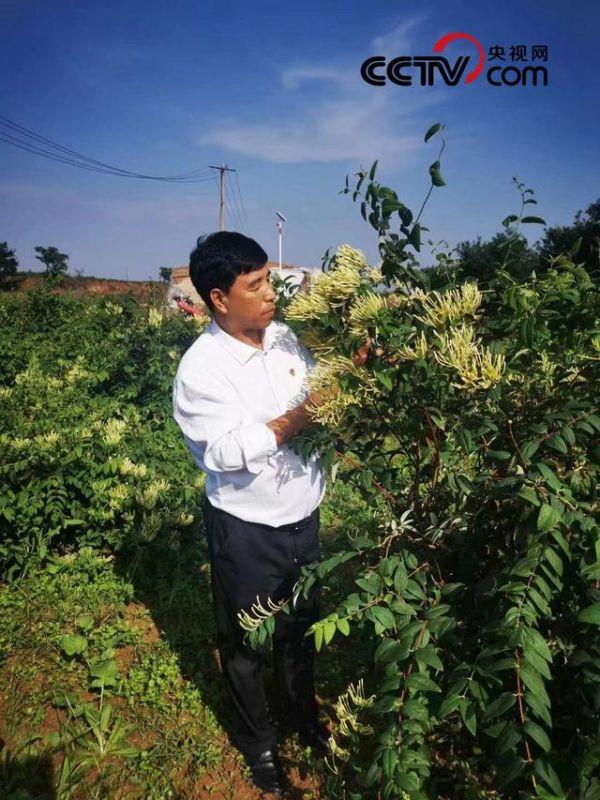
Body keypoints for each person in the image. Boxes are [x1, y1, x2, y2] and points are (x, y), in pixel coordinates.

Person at [171, 231, 331, 797]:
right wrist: (298, 420)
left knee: (299, 624)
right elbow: (221, 453)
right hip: (246, 527)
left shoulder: (287, 339)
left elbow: (319, 390)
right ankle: (259, 746)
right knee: (244, 644)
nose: (271, 294)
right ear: (219, 298)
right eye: (255, 285)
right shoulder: (201, 370)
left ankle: (300, 714)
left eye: (269, 280)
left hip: (304, 515)